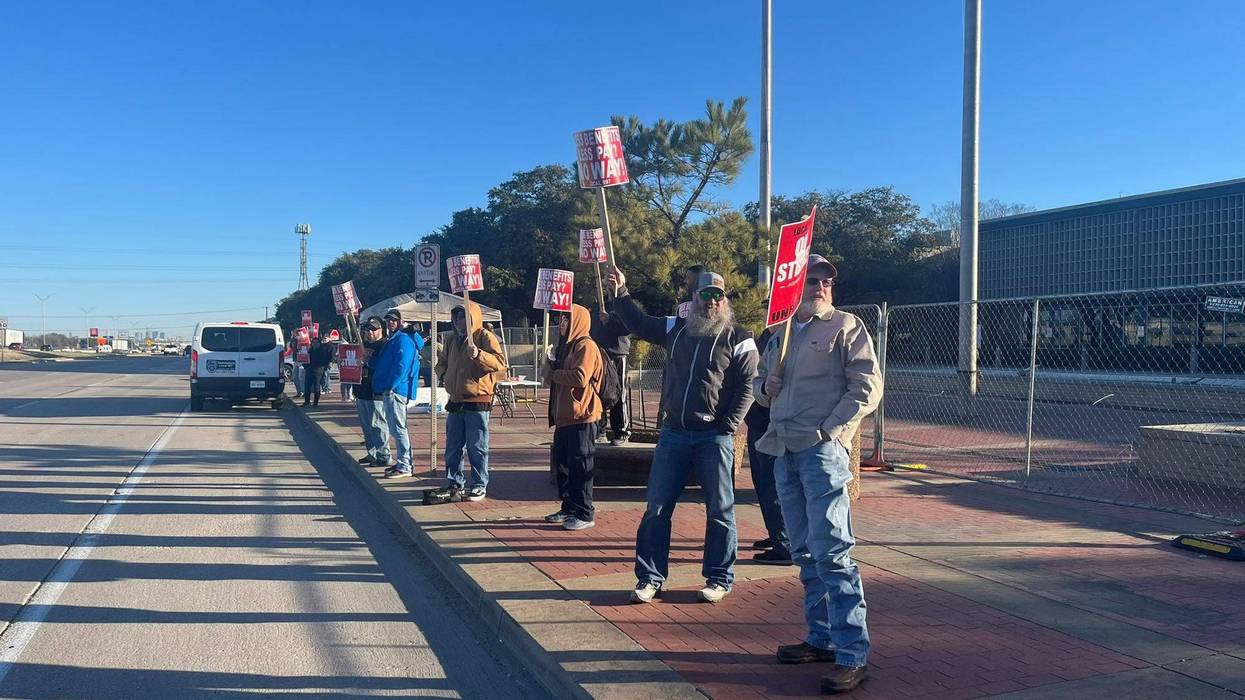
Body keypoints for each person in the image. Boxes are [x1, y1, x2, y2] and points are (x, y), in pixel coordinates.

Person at [753, 254, 882, 695]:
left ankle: (852, 653)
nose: (820, 286)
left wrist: (831, 431)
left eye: (826, 280)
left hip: (820, 452)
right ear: (793, 286)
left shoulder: (846, 327)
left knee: (833, 551)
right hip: (783, 449)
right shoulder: (779, 334)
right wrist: (764, 390)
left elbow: (867, 388)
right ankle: (822, 637)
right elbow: (759, 385)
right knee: (805, 551)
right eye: (811, 279)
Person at [607, 267, 758, 604]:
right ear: (694, 298)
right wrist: (621, 292)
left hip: (714, 437)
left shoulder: (740, 336)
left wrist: (728, 425)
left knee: (720, 510)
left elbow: (748, 384)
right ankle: (649, 578)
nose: (713, 302)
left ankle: (719, 578)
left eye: (719, 295)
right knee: (657, 508)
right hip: (674, 434)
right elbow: (639, 322)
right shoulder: (675, 328)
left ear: (725, 300)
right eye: (706, 294)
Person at [427, 302, 507, 502]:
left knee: (477, 446)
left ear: (472, 317)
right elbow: (441, 362)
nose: (458, 320)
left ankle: (479, 484)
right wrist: (444, 374)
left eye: (462, 316)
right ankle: (454, 482)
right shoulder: (452, 340)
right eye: (455, 317)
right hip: (455, 400)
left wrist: (479, 355)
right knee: (453, 446)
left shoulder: (484, 337)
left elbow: (499, 363)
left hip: (477, 400)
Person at [542, 305, 604, 530]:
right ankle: (568, 506)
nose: (561, 324)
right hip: (564, 416)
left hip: (583, 416)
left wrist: (554, 374)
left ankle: (585, 513)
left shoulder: (586, 346)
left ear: (577, 321)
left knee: (581, 466)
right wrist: (549, 365)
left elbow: (580, 377)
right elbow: (551, 380)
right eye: (559, 319)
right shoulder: (565, 348)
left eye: (566, 320)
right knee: (564, 466)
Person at [745, 323, 791, 566]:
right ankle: (777, 534)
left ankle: (784, 543)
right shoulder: (769, 338)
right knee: (763, 483)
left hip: (772, 423)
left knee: (772, 485)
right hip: (759, 420)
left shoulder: (792, 338)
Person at [372, 308, 425, 478]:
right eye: (388, 320)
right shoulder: (395, 339)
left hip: (396, 390)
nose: (390, 323)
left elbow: (402, 366)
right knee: (396, 428)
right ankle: (403, 462)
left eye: (394, 320)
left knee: (399, 428)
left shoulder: (403, 340)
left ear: (402, 321)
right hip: (391, 388)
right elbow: (386, 363)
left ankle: (405, 464)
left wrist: (391, 386)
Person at [590, 300, 631, 445]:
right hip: (600, 353)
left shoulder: (623, 304)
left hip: (618, 354)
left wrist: (610, 320)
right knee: (599, 391)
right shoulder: (598, 304)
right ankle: (600, 430)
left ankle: (621, 431)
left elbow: (629, 326)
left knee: (619, 393)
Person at [354, 317, 391, 468]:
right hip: (362, 389)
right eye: (367, 329)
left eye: (373, 329)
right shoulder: (362, 345)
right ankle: (372, 453)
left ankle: (383, 454)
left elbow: (385, 366)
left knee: (378, 424)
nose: (369, 332)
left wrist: (368, 360)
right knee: (366, 426)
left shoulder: (384, 345)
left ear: (380, 330)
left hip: (376, 391)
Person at [303, 337, 333, 407]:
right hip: (309, 370)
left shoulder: (323, 350)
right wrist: (306, 366)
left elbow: (326, 360)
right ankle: (306, 401)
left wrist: (324, 368)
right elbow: (305, 359)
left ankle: (315, 402)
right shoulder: (310, 350)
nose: (315, 344)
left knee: (316, 386)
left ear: (319, 343)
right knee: (307, 386)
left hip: (318, 370)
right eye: (313, 343)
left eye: (316, 343)